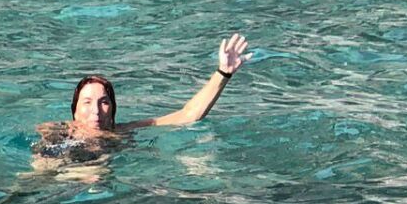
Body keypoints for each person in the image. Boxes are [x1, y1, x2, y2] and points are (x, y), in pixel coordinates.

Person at [36, 33, 254, 162]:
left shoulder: (123, 132)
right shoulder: (57, 132)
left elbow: (188, 115)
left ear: (113, 110)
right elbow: (42, 169)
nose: (96, 110)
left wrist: (223, 73)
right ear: (74, 110)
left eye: (104, 102)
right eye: (87, 102)